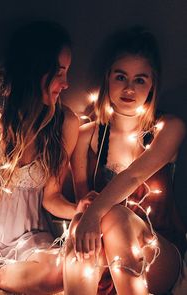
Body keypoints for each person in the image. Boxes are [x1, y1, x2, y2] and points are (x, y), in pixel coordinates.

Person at [0, 21, 86, 295]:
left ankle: (0, 276)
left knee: (60, 271)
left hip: (29, 240)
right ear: (35, 69)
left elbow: (52, 197)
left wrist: (82, 211)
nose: (66, 83)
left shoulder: (65, 123)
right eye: (59, 72)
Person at [64, 27, 187, 295]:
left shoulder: (168, 127)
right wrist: (85, 214)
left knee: (117, 216)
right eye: (121, 77)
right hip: (103, 255)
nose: (129, 88)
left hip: (156, 254)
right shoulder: (88, 135)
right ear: (107, 77)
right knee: (79, 228)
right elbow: (84, 208)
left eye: (140, 80)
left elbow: (133, 176)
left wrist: (95, 212)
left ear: (153, 83)